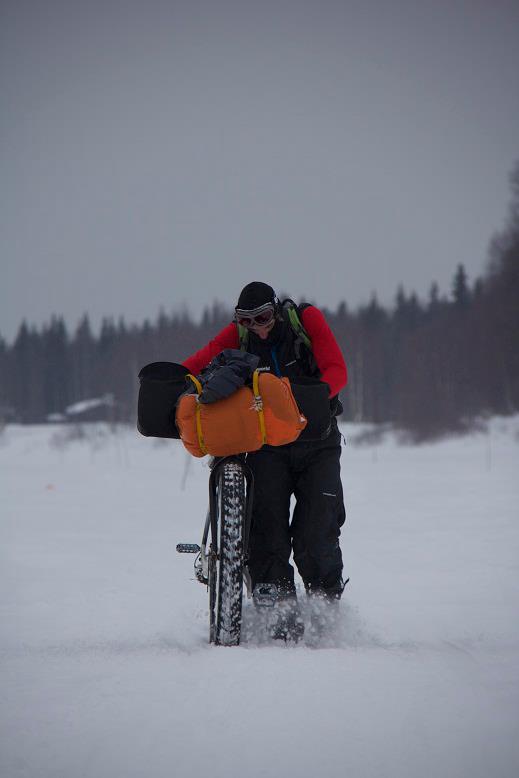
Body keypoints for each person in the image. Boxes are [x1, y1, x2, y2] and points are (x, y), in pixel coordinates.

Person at [182, 281, 347, 640]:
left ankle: (326, 613)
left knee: (316, 532)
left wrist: (300, 397)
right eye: (246, 320)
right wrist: (175, 387)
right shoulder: (238, 335)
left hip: (316, 443)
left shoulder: (307, 321)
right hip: (267, 446)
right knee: (266, 532)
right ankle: (280, 619)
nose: (256, 326)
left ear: (276, 310)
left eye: (264, 318)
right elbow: (194, 367)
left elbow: (337, 371)